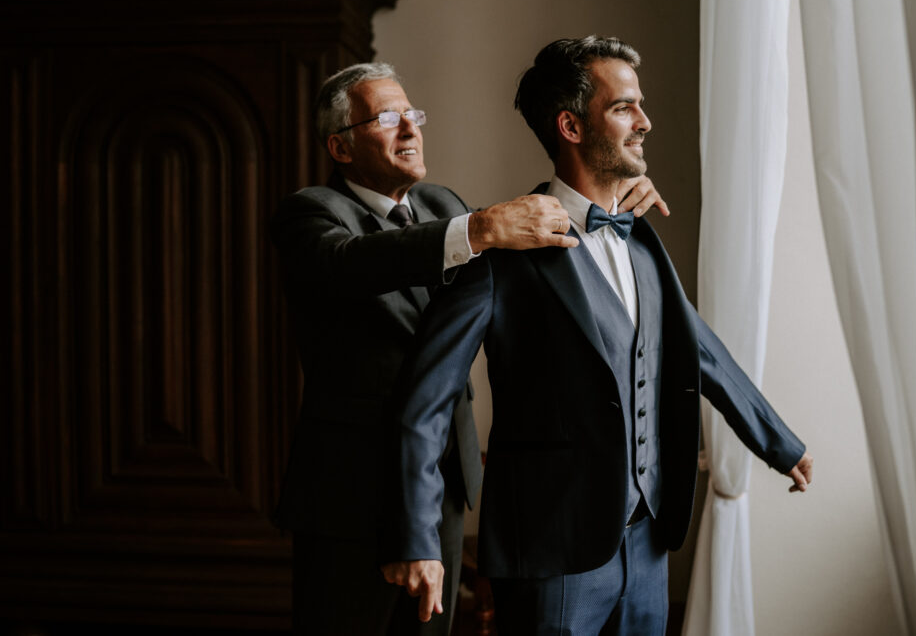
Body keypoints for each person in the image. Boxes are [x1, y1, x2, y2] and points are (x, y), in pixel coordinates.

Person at [385, 37, 814, 635]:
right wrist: (416, 537)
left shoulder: (641, 238)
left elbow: (696, 346)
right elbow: (425, 400)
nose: (645, 122)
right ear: (571, 126)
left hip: (648, 543)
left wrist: (779, 443)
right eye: (623, 107)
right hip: (549, 551)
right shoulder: (500, 253)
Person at [270, 61, 667, 636]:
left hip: (442, 487)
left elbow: (517, 260)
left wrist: (611, 198)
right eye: (387, 119)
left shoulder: (443, 204)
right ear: (340, 146)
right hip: (351, 497)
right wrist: (478, 229)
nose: (411, 129)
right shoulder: (309, 213)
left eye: (413, 114)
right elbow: (348, 263)